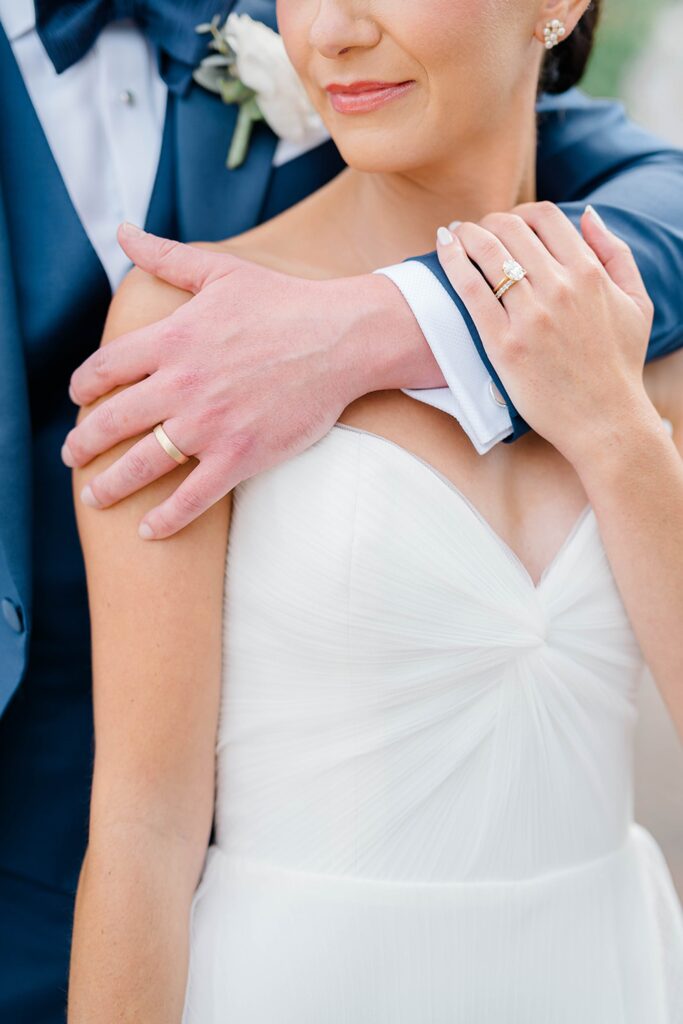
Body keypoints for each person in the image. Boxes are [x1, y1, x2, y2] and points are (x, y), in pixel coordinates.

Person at [0, 1, 682, 1022]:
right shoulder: (188, 329)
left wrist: (615, 434)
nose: (327, 33)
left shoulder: (633, 327)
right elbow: (144, 831)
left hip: (604, 967)